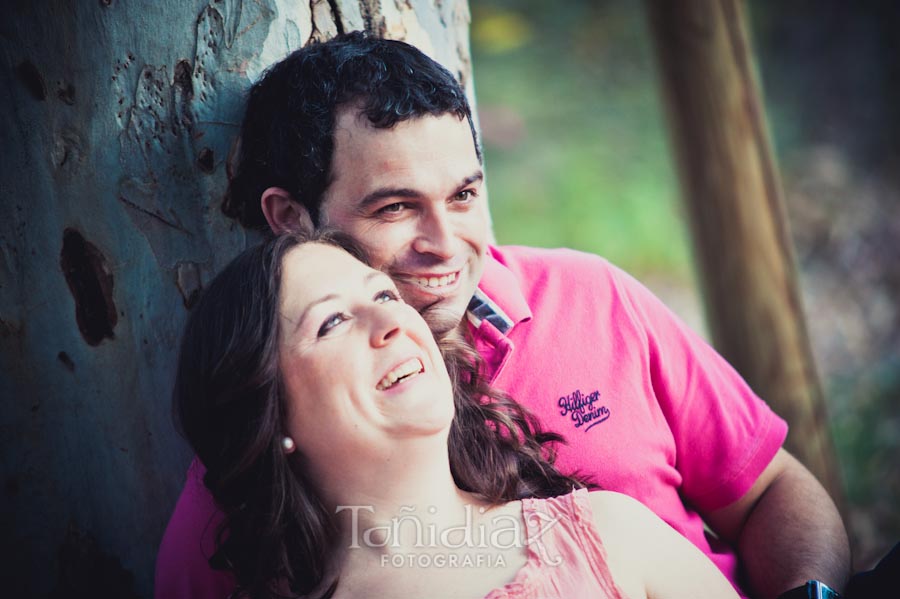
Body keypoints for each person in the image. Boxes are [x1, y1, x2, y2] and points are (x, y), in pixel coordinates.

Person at [156, 32, 849, 599]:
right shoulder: (251, 476)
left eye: (463, 195)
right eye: (395, 208)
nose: (446, 243)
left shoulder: (591, 298)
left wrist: (808, 594)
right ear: (289, 220)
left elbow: (769, 488)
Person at [173, 229, 742, 599]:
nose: (391, 323)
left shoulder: (608, 535)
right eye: (332, 323)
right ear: (272, 420)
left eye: (385, 296)